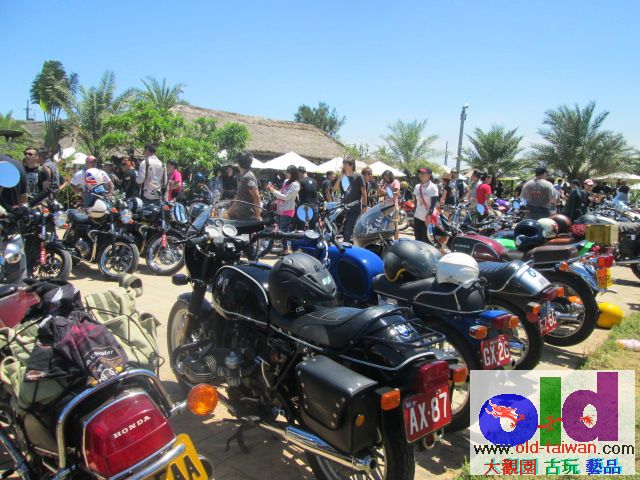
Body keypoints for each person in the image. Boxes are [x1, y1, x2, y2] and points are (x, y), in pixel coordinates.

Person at [0, 155, 28, 284]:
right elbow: (23, 197)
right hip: (11, 225)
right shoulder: (17, 165)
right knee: (18, 269)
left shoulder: (12, 167)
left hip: (9, 224)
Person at [268, 165, 300, 255]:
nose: (286, 174)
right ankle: (284, 249)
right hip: (280, 209)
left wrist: (273, 191)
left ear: (293, 173)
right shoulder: (286, 181)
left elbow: (286, 197)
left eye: (288, 172)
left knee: (284, 231)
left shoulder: (295, 185)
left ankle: (286, 250)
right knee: (281, 230)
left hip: (287, 210)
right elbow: (282, 193)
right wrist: (275, 196)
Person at [334, 158, 367, 243]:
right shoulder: (343, 177)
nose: (344, 166)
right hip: (344, 207)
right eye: (343, 164)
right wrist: (340, 177)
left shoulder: (358, 176)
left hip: (354, 207)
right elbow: (335, 188)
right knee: (338, 227)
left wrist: (364, 206)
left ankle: (346, 245)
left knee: (347, 229)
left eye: (346, 164)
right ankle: (346, 242)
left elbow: (364, 193)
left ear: (351, 165)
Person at [228, 151, 261, 220]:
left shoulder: (248, 177)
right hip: (240, 215)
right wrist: (229, 212)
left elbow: (256, 197)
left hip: (246, 217)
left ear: (239, 163)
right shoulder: (244, 176)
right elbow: (239, 198)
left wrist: (257, 216)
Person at [413, 167, 439, 242]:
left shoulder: (433, 187)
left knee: (425, 240)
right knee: (417, 239)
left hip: (427, 218)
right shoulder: (417, 186)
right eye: (420, 173)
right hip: (417, 217)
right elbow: (415, 201)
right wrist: (414, 212)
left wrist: (429, 216)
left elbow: (433, 204)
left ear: (429, 175)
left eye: (423, 173)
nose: (421, 175)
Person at [378, 170, 401, 240]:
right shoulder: (386, 184)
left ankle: (396, 241)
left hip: (393, 206)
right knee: (386, 225)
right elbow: (380, 194)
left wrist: (386, 192)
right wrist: (379, 187)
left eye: (387, 177)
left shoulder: (396, 182)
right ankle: (388, 240)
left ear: (390, 176)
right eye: (384, 177)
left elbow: (397, 193)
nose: (386, 179)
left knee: (394, 225)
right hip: (386, 207)